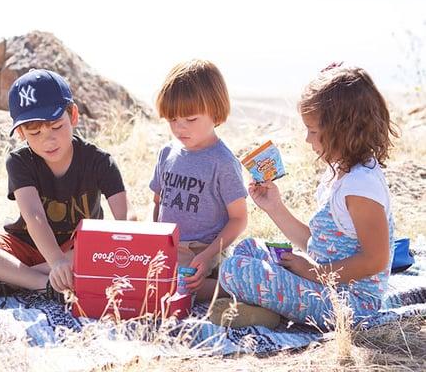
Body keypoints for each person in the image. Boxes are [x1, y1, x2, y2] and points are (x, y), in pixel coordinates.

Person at [218, 64, 399, 329]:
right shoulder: (341, 173)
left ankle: (268, 312)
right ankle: (272, 307)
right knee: (248, 249)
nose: (307, 139)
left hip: (351, 303)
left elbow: (376, 260)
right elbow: (315, 243)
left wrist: (312, 272)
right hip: (325, 280)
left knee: (234, 270)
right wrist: (275, 207)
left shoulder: (361, 188)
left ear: (344, 129)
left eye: (313, 131)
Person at [0, 68, 132, 302]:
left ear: (73, 115)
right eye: (34, 132)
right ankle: (43, 284)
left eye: (56, 126)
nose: (48, 139)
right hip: (26, 246)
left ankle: (6, 278)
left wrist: (72, 258)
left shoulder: (99, 161)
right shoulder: (20, 161)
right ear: (21, 133)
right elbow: (34, 216)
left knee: (106, 250)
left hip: (76, 251)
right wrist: (56, 262)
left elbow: (126, 219)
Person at [149, 59, 249, 300]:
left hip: (203, 249)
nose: (180, 128)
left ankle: (238, 295)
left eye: (190, 119)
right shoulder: (167, 153)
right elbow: (157, 203)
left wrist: (207, 256)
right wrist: (150, 240)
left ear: (215, 112)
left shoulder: (222, 162)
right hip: (169, 246)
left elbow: (239, 219)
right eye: (173, 120)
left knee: (164, 285)